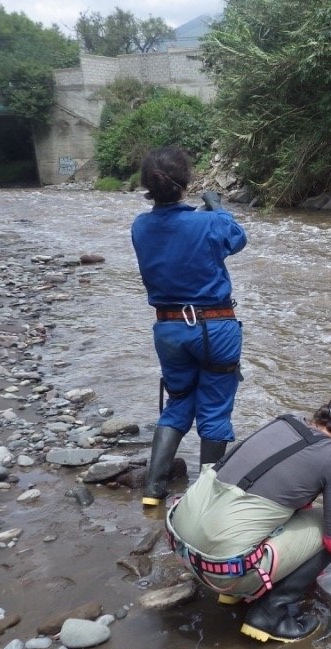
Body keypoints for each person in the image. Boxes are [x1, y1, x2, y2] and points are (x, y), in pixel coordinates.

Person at [165, 398, 331, 643]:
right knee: (326, 523)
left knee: (283, 510)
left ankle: (236, 594)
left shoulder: (284, 423)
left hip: (182, 545)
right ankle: (271, 614)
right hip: (220, 570)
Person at [131, 146, 249, 510]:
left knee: (179, 400)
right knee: (214, 408)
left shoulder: (140, 225)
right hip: (215, 328)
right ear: (186, 183)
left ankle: (154, 487)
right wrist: (217, 204)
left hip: (168, 331)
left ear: (148, 187)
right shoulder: (208, 223)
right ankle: (205, 497)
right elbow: (237, 238)